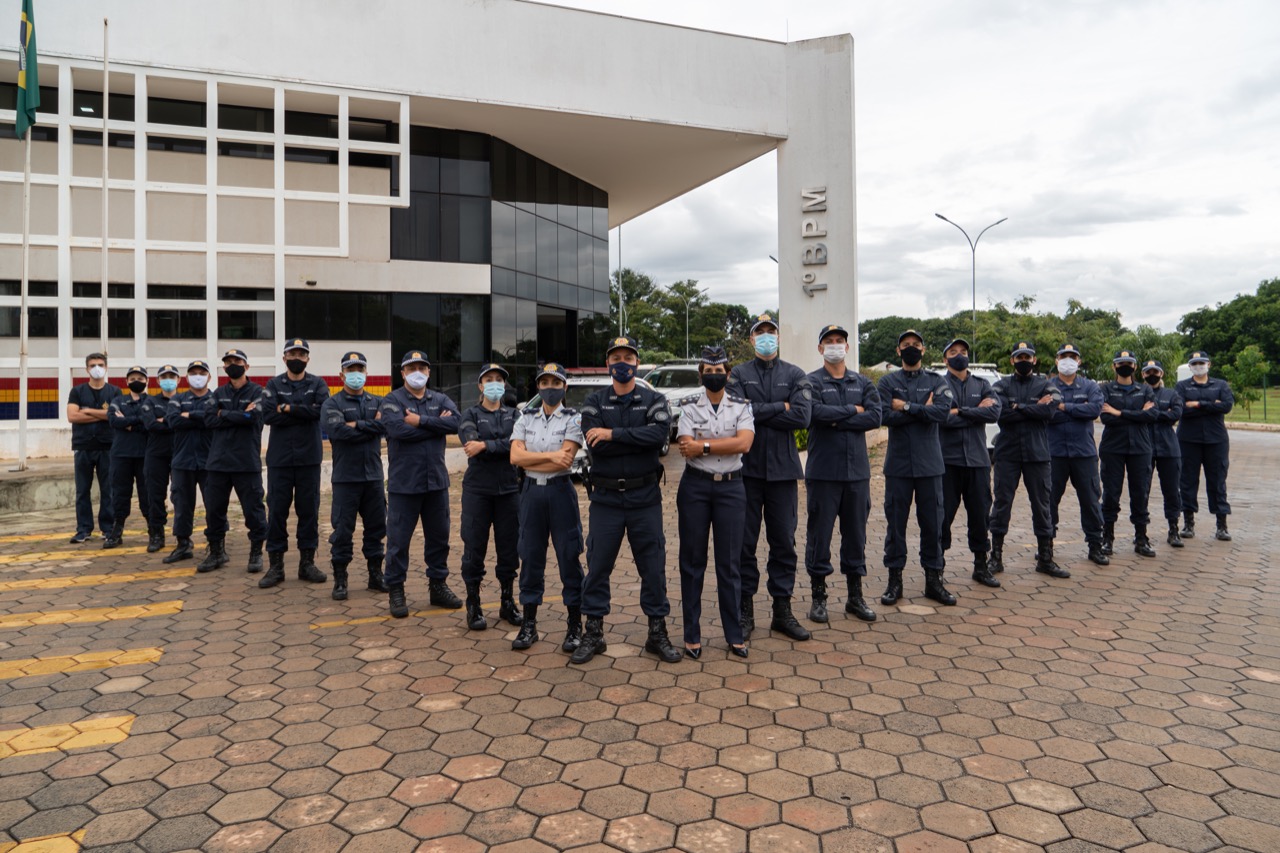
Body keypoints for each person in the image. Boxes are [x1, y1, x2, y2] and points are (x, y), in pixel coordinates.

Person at [572, 335, 681, 664]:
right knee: (598, 566)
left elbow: (658, 436)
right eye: (616, 358)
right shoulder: (594, 401)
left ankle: (657, 633)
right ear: (608, 363)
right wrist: (632, 439)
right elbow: (596, 444)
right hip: (605, 499)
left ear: (637, 362)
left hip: (644, 497)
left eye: (628, 358)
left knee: (653, 567)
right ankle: (594, 632)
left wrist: (613, 434)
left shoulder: (654, 399)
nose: (622, 364)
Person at [727, 312, 813, 641]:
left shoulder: (795, 374)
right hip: (745, 472)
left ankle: (782, 610)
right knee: (743, 544)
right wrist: (782, 406)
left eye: (770, 331)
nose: (766, 336)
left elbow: (802, 417)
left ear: (778, 337)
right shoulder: (739, 374)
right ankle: (745, 610)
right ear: (751, 339)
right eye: (759, 332)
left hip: (783, 473)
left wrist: (759, 411)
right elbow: (737, 414)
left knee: (783, 544)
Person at [676, 346, 754, 659]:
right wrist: (722, 444)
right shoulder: (688, 405)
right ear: (701, 375)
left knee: (730, 564)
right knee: (692, 562)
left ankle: (734, 635)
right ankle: (691, 635)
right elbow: (685, 445)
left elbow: (744, 443)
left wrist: (704, 446)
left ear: (728, 374)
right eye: (708, 371)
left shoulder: (742, 405)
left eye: (719, 370)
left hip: (731, 489)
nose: (714, 375)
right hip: (695, 487)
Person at [804, 324, 882, 623]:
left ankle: (855, 597)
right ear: (820, 348)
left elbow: (875, 417)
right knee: (819, 536)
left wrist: (836, 420)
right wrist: (853, 410)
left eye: (840, 341)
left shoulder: (862, 382)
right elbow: (814, 414)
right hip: (824, 473)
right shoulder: (810, 382)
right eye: (829, 341)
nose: (835, 345)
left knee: (856, 536)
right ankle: (818, 598)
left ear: (847, 347)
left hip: (856, 474)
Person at [380, 350, 462, 618]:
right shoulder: (392, 400)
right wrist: (437, 426)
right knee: (398, 541)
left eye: (422, 368)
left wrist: (421, 421)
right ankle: (396, 589)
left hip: (436, 483)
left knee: (439, 538)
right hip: (404, 484)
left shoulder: (439, 398)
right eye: (411, 368)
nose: (417, 372)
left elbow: (457, 422)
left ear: (428, 372)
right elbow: (396, 430)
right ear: (402, 373)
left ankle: (438, 586)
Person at [510, 363, 586, 652]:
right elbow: (515, 457)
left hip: (560, 492)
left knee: (569, 557)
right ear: (538, 386)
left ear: (564, 387)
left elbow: (565, 460)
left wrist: (532, 458)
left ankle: (574, 625)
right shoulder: (525, 417)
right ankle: (529, 625)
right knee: (530, 558)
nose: (550, 388)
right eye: (544, 383)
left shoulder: (573, 419)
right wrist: (550, 457)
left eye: (555, 383)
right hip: (530, 494)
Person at [876, 330, 956, 605]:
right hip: (898, 466)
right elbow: (883, 415)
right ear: (898, 351)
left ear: (923, 349)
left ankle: (934, 581)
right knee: (895, 526)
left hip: (929, 466)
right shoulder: (887, 382)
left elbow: (942, 413)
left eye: (916, 344)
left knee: (933, 525)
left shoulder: (937, 380)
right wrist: (923, 410)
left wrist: (906, 407)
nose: (911, 348)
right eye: (905, 345)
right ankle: (894, 582)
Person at [989, 342, 1068, 578]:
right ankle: (995, 558)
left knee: (1042, 506)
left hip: (1037, 454)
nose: (1023, 360)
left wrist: (1018, 407)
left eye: (1027, 357)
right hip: (1007, 454)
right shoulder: (1000, 385)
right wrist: (1033, 407)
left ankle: (1045, 558)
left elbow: (1049, 411)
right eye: (1019, 357)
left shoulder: (1047, 385)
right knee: (1001, 504)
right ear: (1012, 360)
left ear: (1034, 360)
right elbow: (1000, 413)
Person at [458, 363, 524, 636]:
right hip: (478, 492)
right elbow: (470, 445)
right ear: (480, 385)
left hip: (509, 491)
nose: (494, 383)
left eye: (499, 379)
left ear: (504, 385)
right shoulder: (470, 414)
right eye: (489, 379)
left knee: (509, 549)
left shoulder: (515, 414)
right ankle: (473, 603)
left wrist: (486, 444)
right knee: (474, 547)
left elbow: (520, 445)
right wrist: (502, 445)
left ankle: (507, 602)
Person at [260, 337, 330, 588]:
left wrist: (287, 409)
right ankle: (275, 567)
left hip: (308, 459)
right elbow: (268, 415)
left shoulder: (318, 383)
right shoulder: (273, 384)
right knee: (276, 512)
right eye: (292, 354)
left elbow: (321, 412)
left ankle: (307, 564)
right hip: (280, 460)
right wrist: (303, 411)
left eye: (301, 355)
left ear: (308, 358)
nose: (296, 359)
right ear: (284, 358)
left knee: (308, 511)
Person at [321, 352, 388, 601]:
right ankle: (340, 579)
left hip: (373, 478)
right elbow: (337, 432)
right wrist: (370, 426)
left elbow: (386, 426)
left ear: (366, 373)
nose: (355, 374)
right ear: (342, 375)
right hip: (345, 479)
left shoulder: (378, 401)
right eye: (351, 370)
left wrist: (355, 425)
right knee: (342, 531)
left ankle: (375, 575)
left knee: (377, 528)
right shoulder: (332, 404)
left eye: (359, 369)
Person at [937, 338, 1002, 589]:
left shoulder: (983, 384)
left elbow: (993, 412)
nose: (959, 355)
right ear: (945, 359)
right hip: (947, 462)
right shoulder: (939, 385)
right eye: (953, 352)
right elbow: (940, 417)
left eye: (963, 351)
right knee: (942, 517)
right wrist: (975, 411)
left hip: (977, 461)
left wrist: (960, 411)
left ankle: (981, 566)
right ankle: (936, 568)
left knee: (980, 515)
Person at [199, 349, 268, 574]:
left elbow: (253, 417)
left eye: (237, 361)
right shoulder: (218, 392)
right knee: (214, 510)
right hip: (218, 462)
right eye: (228, 362)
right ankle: (216, 552)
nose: (232, 365)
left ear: (246, 366)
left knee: (253, 510)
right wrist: (237, 415)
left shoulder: (259, 392)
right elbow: (209, 419)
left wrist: (224, 413)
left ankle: (256, 552)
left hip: (246, 462)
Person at [1047, 344, 1109, 566]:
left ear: (1079, 361)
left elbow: (1094, 410)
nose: (1068, 360)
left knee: (1090, 500)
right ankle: (1046, 546)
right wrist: (1077, 409)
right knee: (1049, 501)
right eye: (1063, 356)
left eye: (1072, 357)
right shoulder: (1047, 387)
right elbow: (1045, 413)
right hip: (1054, 453)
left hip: (1084, 454)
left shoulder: (1090, 386)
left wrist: (1063, 407)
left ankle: (1095, 545)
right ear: (1057, 361)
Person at [1098, 350, 1159, 557]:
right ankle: (1107, 538)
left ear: (1135, 366)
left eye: (1129, 363)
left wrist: (1119, 412)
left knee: (1140, 493)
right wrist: (1138, 413)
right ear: (1114, 366)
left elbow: (1152, 415)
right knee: (1111, 493)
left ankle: (1141, 538)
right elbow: (1106, 418)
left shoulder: (1145, 389)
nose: (1125, 366)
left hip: (1140, 448)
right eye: (1121, 363)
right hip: (1113, 448)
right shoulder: (1106, 389)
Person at [1177, 351, 1234, 541]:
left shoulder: (1220, 385)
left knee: (1218, 481)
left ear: (1209, 364)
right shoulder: (1182, 386)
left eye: (1201, 363)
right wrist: (1211, 405)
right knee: (1187, 481)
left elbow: (1226, 406)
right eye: (1195, 363)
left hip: (1216, 440)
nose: (1198, 366)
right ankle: (1188, 523)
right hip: (1188, 440)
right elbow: (1181, 410)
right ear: (1190, 366)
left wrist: (1197, 404)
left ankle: (1222, 525)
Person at [163, 360, 215, 564]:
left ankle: (216, 544)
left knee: (214, 504)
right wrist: (201, 419)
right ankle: (183, 543)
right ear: (186, 377)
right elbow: (173, 421)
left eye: (202, 373)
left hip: (210, 461)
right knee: (182, 504)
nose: (198, 376)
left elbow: (214, 419)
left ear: (209, 377)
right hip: (182, 460)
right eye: (193, 373)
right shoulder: (177, 399)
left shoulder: (215, 398)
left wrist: (189, 415)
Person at [67, 352, 120, 543]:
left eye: (100, 365)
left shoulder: (115, 392)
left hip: (108, 446)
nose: (96, 368)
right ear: (86, 369)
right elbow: (72, 416)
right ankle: (83, 529)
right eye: (92, 365)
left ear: (106, 368)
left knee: (108, 490)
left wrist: (88, 411)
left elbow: (116, 415)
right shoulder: (77, 391)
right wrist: (103, 414)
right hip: (83, 446)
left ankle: (108, 528)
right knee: (82, 490)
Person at [104, 366, 153, 549]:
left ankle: (154, 531)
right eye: (132, 379)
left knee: (147, 494)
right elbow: (113, 420)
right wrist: (138, 420)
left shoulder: (152, 401)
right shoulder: (118, 400)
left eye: (140, 378)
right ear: (126, 382)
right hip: (121, 455)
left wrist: (128, 422)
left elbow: (150, 422)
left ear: (147, 381)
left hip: (145, 455)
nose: (136, 381)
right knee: (119, 494)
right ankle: (116, 531)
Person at [1142, 360, 1185, 548]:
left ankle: (1173, 529)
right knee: (1142, 491)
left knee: (1172, 490)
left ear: (1162, 374)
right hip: (1144, 448)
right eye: (1148, 372)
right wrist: (1162, 413)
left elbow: (1176, 414)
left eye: (1155, 371)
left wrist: (1151, 413)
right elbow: (1136, 414)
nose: (1152, 375)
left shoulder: (1171, 394)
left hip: (1168, 448)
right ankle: (1141, 532)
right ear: (1143, 374)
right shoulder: (1139, 393)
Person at [140, 364, 181, 553]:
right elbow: (150, 424)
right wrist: (175, 420)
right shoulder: (150, 401)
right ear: (157, 381)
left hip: (180, 453)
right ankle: (156, 534)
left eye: (172, 376)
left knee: (180, 495)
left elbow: (190, 422)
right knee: (155, 495)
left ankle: (182, 535)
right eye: (164, 377)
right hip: (156, 454)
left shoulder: (184, 400)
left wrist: (163, 420)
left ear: (179, 380)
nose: (168, 380)